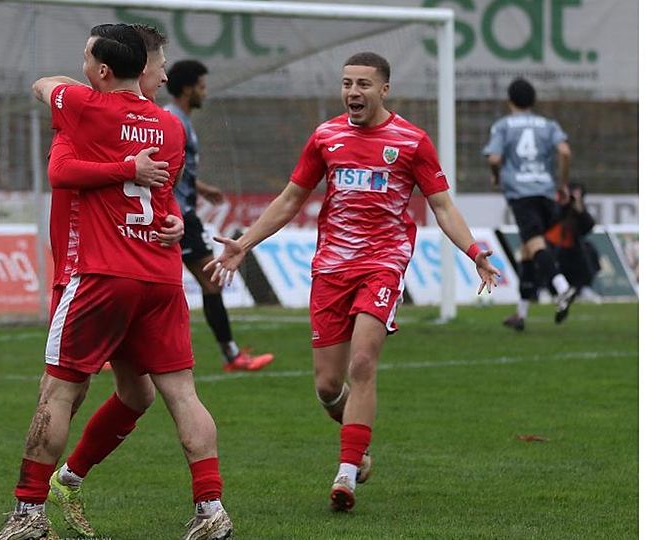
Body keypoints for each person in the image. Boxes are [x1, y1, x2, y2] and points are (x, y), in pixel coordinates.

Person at [204, 52, 500, 513]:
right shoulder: (326, 137)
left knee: (363, 363)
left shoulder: (411, 141)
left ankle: (345, 475)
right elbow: (289, 200)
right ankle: (357, 443)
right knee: (327, 386)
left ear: (384, 89)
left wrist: (476, 254)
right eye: (347, 84)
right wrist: (245, 243)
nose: (353, 92)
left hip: (383, 263)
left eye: (363, 84)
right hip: (330, 269)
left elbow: (442, 206)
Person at [0, 24, 232, 540]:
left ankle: (28, 514)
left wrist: (117, 155)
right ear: (142, 68)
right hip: (161, 277)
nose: (166, 74)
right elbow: (162, 197)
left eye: (87, 56)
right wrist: (167, 217)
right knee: (180, 395)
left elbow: (45, 96)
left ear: (102, 69)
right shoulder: (169, 126)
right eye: (159, 65)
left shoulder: (81, 109)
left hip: (101, 273)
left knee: (58, 392)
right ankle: (211, 510)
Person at [164, 59, 275, 372]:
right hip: (178, 217)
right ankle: (232, 356)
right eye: (201, 86)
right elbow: (167, 167)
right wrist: (174, 202)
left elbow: (178, 168)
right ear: (187, 89)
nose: (205, 91)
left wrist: (199, 187)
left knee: (157, 284)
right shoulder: (173, 119)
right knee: (210, 283)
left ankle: (232, 354)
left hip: (180, 213)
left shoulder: (179, 119)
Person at [484, 77, 578, 331]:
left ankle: (561, 286)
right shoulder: (548, 125)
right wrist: (563, 183)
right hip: (546, 192)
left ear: (510, 100)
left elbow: (494, 157)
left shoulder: (504, 125)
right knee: (527, 249)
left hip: (522, 193)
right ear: (533, 100)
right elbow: (565, 152)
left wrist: (496, 174)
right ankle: (521, 314)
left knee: (534, 243)